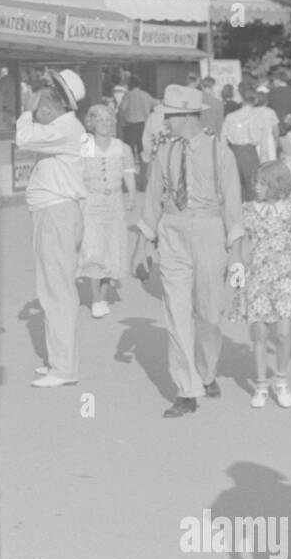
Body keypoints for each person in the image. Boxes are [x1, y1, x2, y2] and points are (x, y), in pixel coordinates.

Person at [135, 85, 242, 418]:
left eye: (171, 115)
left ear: (187, 116)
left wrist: (237, 253)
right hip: (173, 230)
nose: (165, 121)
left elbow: (234, 205)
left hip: (210, 230)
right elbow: (152, 199)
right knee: (176, 312)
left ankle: (207, 372)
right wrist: (142, 246)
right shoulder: (165, 151)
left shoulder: (219, 150)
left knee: (209, 315)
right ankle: (187, 388)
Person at [17, 69, 88, 388]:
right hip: (53, 214)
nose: (38, 106)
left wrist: (24, 110)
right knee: (52, 289)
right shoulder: (62, 126)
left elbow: (23, 137)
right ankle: (57, 361)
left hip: (56, 215)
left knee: (57, 290)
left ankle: (64, 368)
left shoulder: (65, 127)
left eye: (43, 98)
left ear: (55, 103)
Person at [231, 160, 291, 408]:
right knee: (259, 332)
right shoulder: (248, 210)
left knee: (284, 332)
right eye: (256, 182)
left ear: (276, 184)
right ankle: (261, 384)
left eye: (262, 183)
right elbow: (242, 244)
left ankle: (281, 379)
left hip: (285, 275)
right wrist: (238, 279)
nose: (257, 187)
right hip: (257, 275)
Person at [76, 103, 136, 319]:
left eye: (108, 119)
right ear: (90, 123)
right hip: (91, 201)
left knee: (112, 247)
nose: (105, 123)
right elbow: (75, 172)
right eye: (100, 119)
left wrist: (130, 193)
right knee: (93, 248)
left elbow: (128, 171)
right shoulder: (85, 144)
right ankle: (95, 298)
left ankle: (102, 295)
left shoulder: (121, 147)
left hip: (114, 203)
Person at [118, 76, 156, 168]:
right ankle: (143, 173)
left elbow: (122, 109)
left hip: (131, 126)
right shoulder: (146, 95)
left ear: (132, 84)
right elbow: (155, 107)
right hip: (144, 126)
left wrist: (122, 123)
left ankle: (130, 171)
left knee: (129, 151)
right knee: (142, 151)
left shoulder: (128, 95)